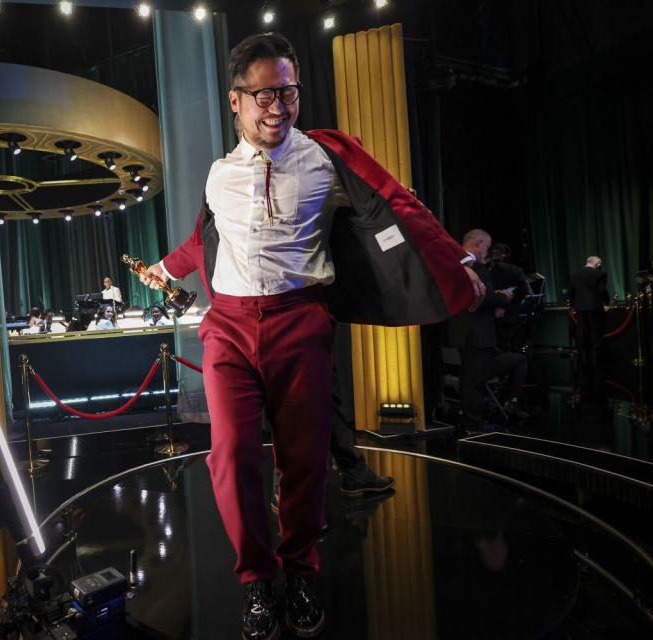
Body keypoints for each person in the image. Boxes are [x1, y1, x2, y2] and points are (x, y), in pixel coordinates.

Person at [138, 33, 481, 639]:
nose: (279, 105)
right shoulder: (219, 177)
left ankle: (299, 571)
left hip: (302, 321)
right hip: (230, 329)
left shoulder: (326, 161)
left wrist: (456, 268)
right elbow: (204, 242)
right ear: (236, 101)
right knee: (233, 454)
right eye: (264, 93)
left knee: (303, 462)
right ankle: (254, 580)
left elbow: (399, 207)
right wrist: (164, 270)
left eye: (288, 91)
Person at [448, 230, 516, 433]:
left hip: (460, 333)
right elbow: (483, 297)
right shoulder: (476, 268)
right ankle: (474, 425)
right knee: (475, 382)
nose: (487, 252)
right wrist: (504, 298)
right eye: (486, 247)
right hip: (478, 335)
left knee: (468, 381)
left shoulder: (452, 265)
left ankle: (469, 422)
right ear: (478, 244)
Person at [488, 243, 532, 352]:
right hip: (510, 314)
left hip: (489, 315)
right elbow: (523, 291)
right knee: (508, 348)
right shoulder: (516, 270)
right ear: (506, 255)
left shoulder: (483, 270)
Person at [569, 256, 610, 371]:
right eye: (599, 265)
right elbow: (602, 291)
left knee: (581, 330)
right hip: (594, 306)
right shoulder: (600, 274)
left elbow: (572, 291)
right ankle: (596, 358)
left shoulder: (574, 275)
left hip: (580, 307)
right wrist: (607, 302)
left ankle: (582, 356)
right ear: (597, 264)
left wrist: (572, 306)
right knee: (595, 331)